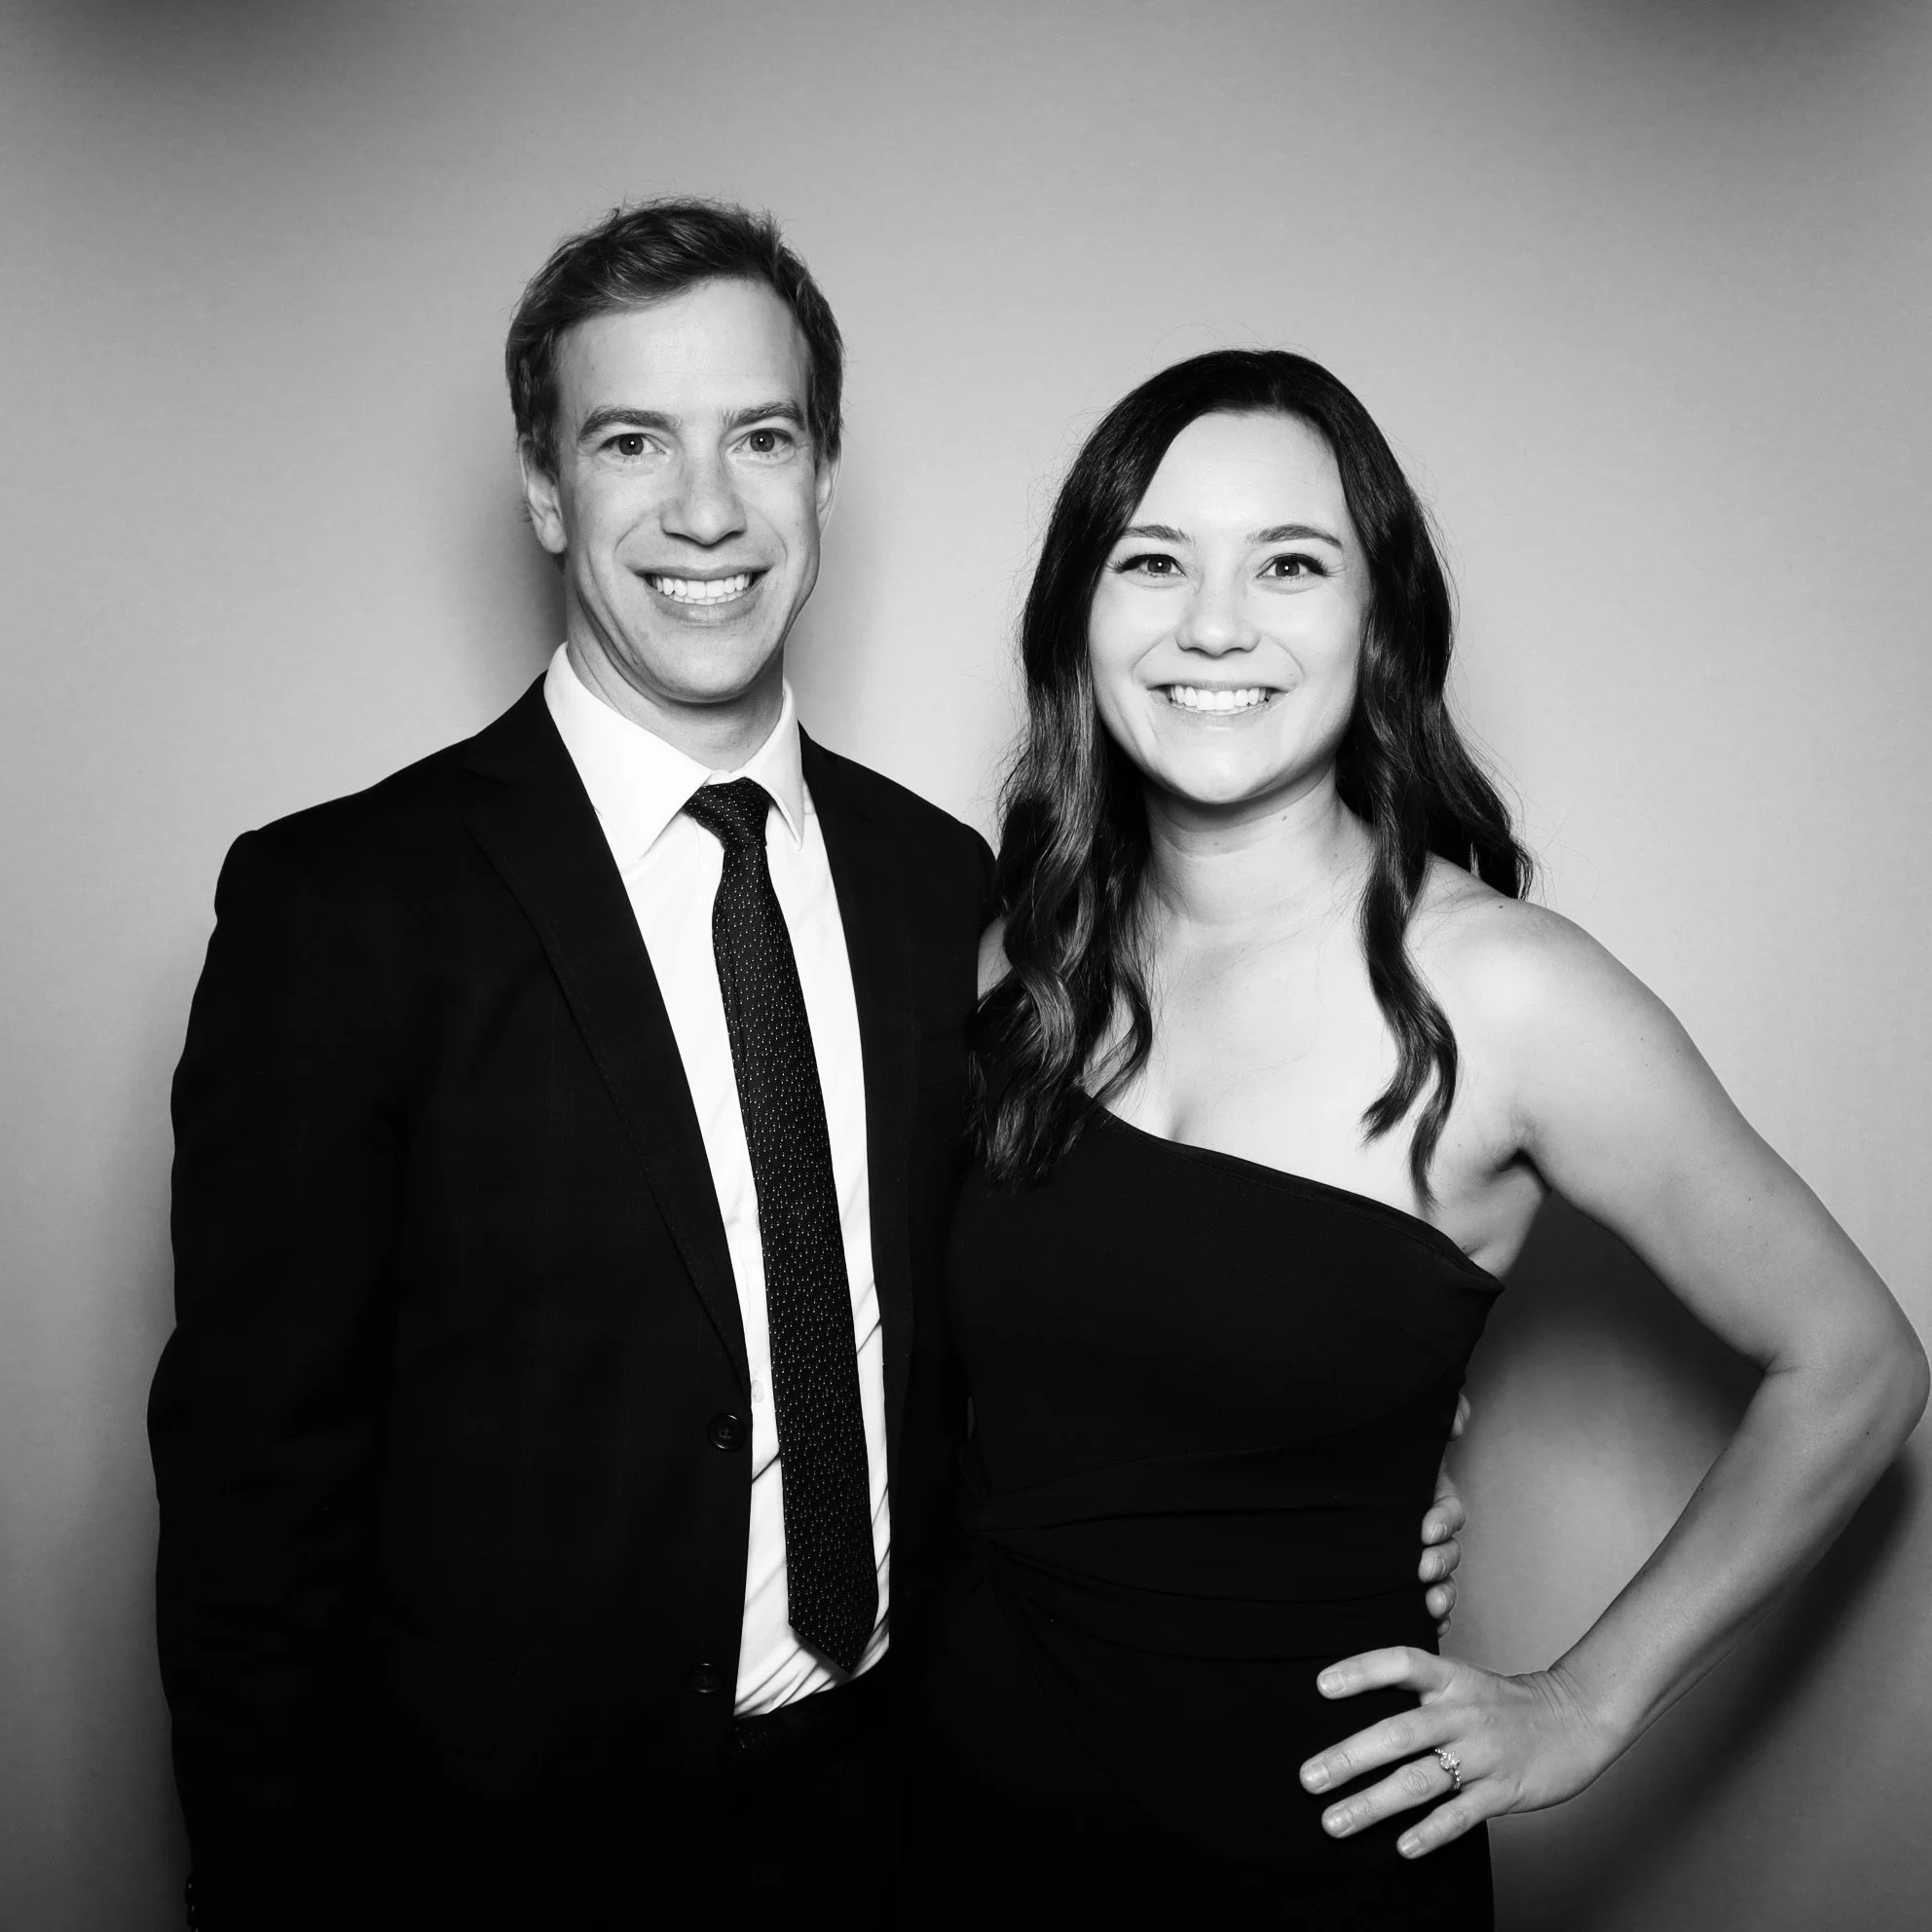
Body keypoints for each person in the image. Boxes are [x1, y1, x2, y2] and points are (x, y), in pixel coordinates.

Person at [146, 208, 1465, 1929]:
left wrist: (1390, 1438)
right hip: (498, 1861)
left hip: (919, 1821)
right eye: (633, 443)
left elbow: (1121, 1276)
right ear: (546, 487)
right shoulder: (345, 909)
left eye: (759, 438)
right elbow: (256, 1505)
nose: (706, 510)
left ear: (823, 475)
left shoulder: (960, 904)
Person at [915, 349, 1927, 1928]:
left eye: (1292, 565)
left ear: (1379, 621)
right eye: (1155, 560)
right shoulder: (1010, 961)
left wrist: (1586, 1699)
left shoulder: (1513, 997)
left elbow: (1856, 1365)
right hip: (960, 1821)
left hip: (1304, 1851)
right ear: (1079, 616)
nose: (1215, 624)